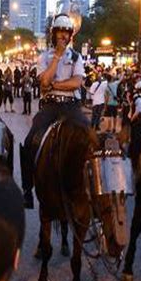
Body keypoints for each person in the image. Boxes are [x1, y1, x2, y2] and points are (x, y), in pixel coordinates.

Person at [20, 13, 87, 209]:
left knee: (90, 138)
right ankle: (27, 189)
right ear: (54, 34)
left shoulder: (77, 57)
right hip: (50, 106)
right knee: (30, 141)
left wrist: (56, 84)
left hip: (71, 106)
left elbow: (77, 82)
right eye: (60, 32)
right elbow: (43, 81)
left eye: (67, 33)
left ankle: (92, 188)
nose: (63, 36)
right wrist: (56, 58)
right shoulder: (44, 57)